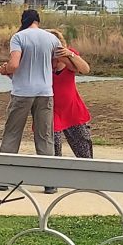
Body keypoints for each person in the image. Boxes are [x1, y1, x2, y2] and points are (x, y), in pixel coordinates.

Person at [0, 8, 56, 158]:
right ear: (38, 21)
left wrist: (5, 69)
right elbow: (58, 64)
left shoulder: (18, 37)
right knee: (45, 137)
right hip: (45, 92)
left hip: (22, 92)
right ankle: (49, 179)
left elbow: (14, 65)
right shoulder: (51, 38)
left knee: (12, 133)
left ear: (23, 21)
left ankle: (4, 178)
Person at [48, 28, 94, 158]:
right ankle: (54, 176)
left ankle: (88, 175)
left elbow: (85, 69)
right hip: (51, 109)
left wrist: (69, 55)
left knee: (83, 146)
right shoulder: (42, 59)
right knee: (53, 146)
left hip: (72, 108)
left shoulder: (69, 55)